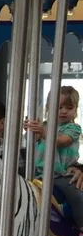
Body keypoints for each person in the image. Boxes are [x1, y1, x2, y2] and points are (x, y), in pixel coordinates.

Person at [25, 85, 83, 224]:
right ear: (48, 108)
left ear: (75, 110)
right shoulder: (44, 125)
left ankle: (81, 225)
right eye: (59, 107)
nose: (63, 111)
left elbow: (62, 141)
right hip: (38, 173)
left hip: (62, 174)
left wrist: (42, 132)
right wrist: (31, 128)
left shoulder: (73, 128)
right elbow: (32, 141)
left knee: (77, 196)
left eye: (69, 108)